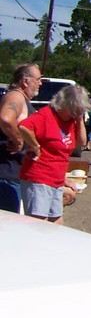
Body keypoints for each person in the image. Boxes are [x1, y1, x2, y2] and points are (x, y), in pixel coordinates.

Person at [18, 84, 91, 223]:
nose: (75, 114)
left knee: (57, 221)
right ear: (65, 104)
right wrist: (35, 145)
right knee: (39, 223)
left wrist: (79, 120)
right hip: (40, 177)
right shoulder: (46, 114)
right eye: (74, 110)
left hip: (57, 178)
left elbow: (81, 142)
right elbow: (24, 127)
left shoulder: (71, 120)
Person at [0, 64, 41, 213]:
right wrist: (18, 140)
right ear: (25, 81)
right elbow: (5, 118)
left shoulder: (21, 99)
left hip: (14, 174)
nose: (40, 83)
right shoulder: (15, 96)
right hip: (6, 175)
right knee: (7, 227)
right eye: (38, 79)